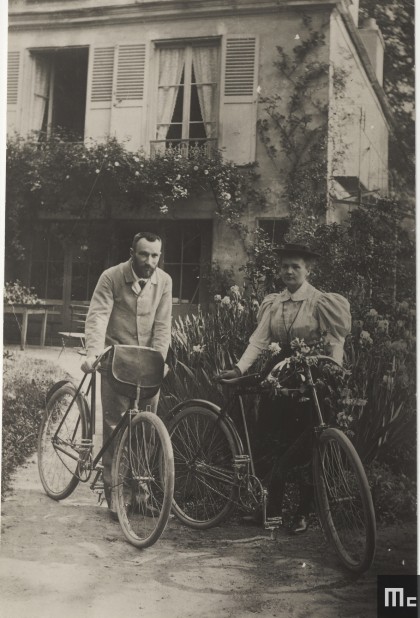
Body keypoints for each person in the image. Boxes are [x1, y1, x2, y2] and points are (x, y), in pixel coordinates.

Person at [217, 243, 351, 533]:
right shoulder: (274, 303)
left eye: (296, 266)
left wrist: (333, 371)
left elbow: (335, 341)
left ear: (308, 269)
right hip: (278, 375)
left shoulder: (321, 302)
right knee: (270, 440)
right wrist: (240, 368)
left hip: (311, 375)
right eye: (285, 266)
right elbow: (258, 340)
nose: (289, 271)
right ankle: (270, 510)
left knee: (306, 443)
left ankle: (302, 513)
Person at [81, 231, 172, 518]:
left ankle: (142, 498)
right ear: (132, 252)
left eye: (155, 255)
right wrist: (94, 354)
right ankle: (116, 497)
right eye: (144, 254)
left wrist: (160, 359)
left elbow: (162, 325)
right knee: (116, 428)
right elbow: (98, 316)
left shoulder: (164, 282)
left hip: (147, 363)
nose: (149, 261)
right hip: (117, 360)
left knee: (146, 429)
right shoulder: (112, 277)